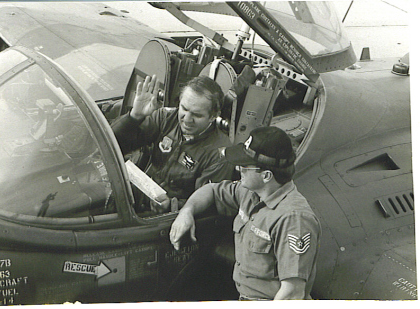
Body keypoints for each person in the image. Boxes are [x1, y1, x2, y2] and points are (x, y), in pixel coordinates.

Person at [169, 126, 321, 300]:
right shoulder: (251, 192)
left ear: (266, 176)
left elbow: (292, 293)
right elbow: (212, 190)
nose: (238, 169)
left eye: (245, 166)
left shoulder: (294, 219)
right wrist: (186, 211)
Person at [111, 74, 234, 212]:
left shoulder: (219, 154)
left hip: (167, 218)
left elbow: (207, 203)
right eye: (184, 109)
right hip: (134, 197)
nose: (187, 119)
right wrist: (135, 116)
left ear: (213, 116)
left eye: (197, 115)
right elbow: (114, 145)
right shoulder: (165, 118)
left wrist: (172, 205)